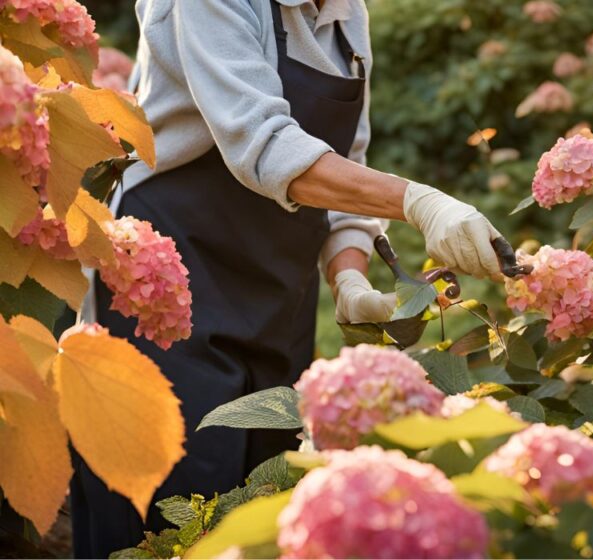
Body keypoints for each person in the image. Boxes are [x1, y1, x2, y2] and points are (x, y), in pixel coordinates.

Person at [70, 0, 506, 557]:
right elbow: (264, 143)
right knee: (165, 508)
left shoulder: (347, 14)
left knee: (262, 507)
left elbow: (348, 158)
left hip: (279, 295)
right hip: (167, 281)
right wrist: (418, 201)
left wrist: (349, 276)